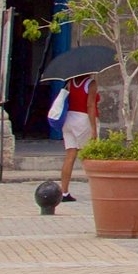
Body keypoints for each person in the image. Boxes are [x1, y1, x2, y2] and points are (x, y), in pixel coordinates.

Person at [55, 70, 98, 201]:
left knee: (70, 156)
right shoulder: (91, 83)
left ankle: (64, 191)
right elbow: (90, 105)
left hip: (69, 119)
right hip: (82, 119)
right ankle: (97, 189)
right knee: (90, 155)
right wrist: (94, 128)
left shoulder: (70, 83)